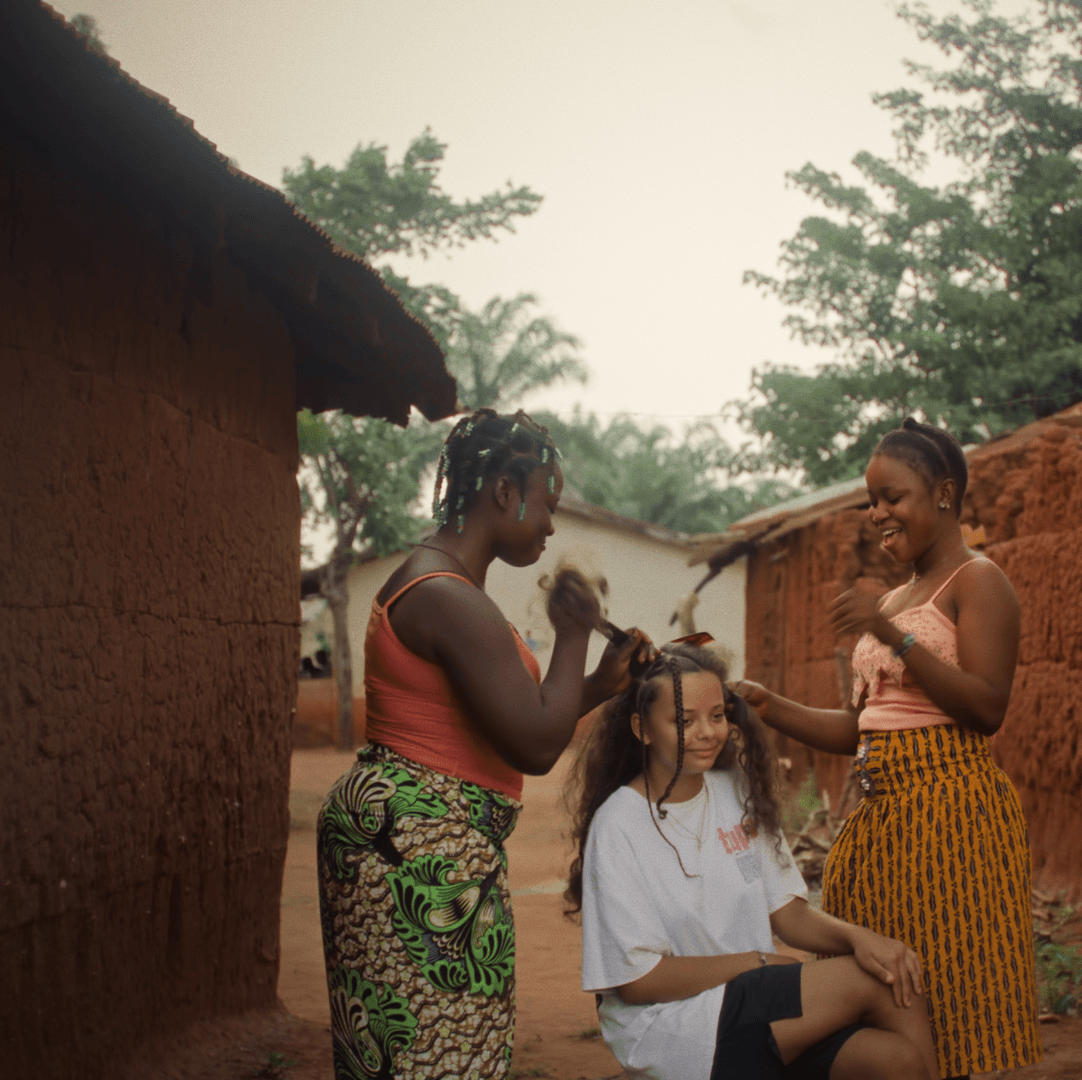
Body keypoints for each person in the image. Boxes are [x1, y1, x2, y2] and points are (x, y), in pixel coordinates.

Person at [317, 408, 647, 1080]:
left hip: (417, 841)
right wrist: (576, 633)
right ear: (504, 493)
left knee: (421, 1049)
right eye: (547, 505)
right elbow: (532, 743)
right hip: (418, 851)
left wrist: (595, 687)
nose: (552, 525)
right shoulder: (446, 597)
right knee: (432, 1050)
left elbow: (517, 716)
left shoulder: (449, 590)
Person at [733, 418, 1043, 1078]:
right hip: (882, 821)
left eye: (891, 497)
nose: (877, 513)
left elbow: (987, 706)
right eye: (871, 501)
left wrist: (891, 635)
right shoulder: (896, 597)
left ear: (944, 494)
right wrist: (771, 706)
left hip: (952, 818)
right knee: (886, 992)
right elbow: (861, 727)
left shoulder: (978, 581)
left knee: (954, 997)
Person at [568, 641, 942, 1080]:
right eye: (684, 721)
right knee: (877, 983)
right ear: (642, 728)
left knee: (895, 1060)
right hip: (673, 1027)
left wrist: (861, 938)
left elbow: (788, 914)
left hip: (750, 1007)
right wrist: (756, 963)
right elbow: (637, 981)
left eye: (717, 716)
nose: (707, 732)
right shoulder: (619, 824)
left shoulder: (736, 790)